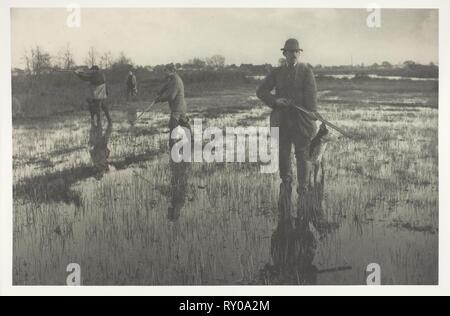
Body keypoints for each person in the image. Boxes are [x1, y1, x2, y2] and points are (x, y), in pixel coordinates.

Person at [256, 38, 320, 196]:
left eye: (296, 51)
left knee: (302, 153)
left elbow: (311, 97)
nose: (294, 54)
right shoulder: (276, 73)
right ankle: (286, 182)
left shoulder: (306, 72)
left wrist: (312, 113)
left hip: (301, 121)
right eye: (290, 51)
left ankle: (303, 187)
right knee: (283, 152)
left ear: (300, 54)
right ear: (284, 53)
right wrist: (276, 101)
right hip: (282, 120)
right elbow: (261, 91)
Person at [155, 63, 191, 151]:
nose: (165, 73)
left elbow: (171, 96)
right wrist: (159, 92)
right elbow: (166, 86)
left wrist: (160, 99)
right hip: (181, 107)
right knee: (185, 125)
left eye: (166, 71)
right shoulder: (172, 79)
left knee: (173, 128)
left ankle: (173, 149)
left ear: (171, 71)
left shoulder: (175, 81)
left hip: (177, 109)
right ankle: (191, 142)